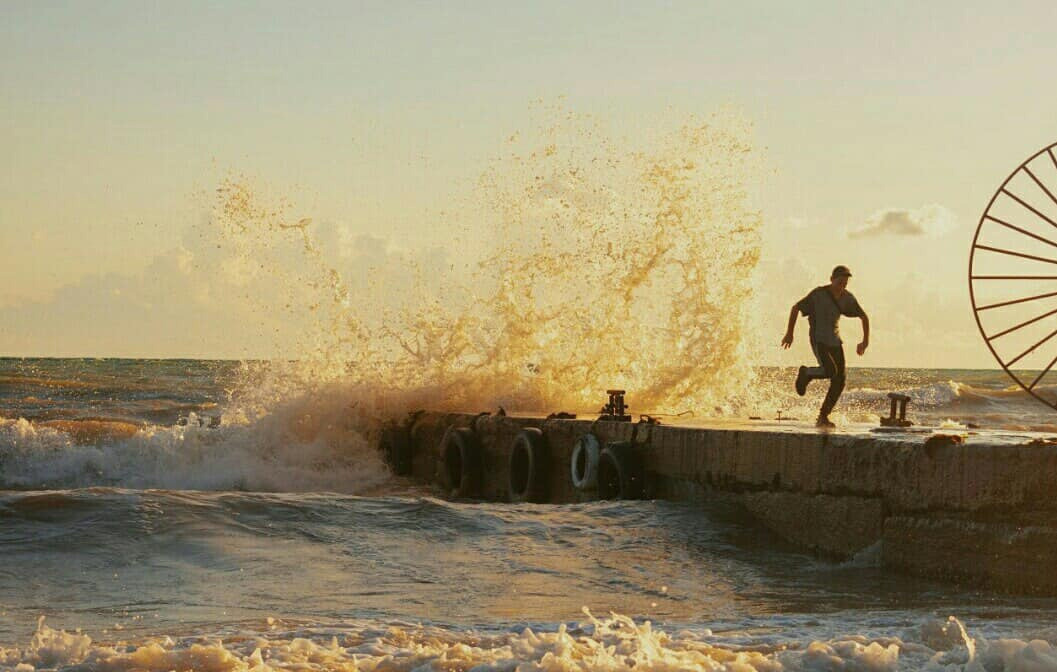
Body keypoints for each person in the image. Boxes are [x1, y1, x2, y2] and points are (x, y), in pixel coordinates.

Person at [780, 265, 869, 427]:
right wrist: (789, 333)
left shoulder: (847, 298)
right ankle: (806, 372)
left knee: (840, 381)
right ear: (832, 279)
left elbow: (864, 317)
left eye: (845, 283)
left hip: (835, 341)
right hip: (818, 339)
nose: (842, 286)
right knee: (829, 371)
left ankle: (823, 416)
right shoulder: (818, 294)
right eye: (840, 282)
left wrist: (865, 341)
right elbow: (796, 308)